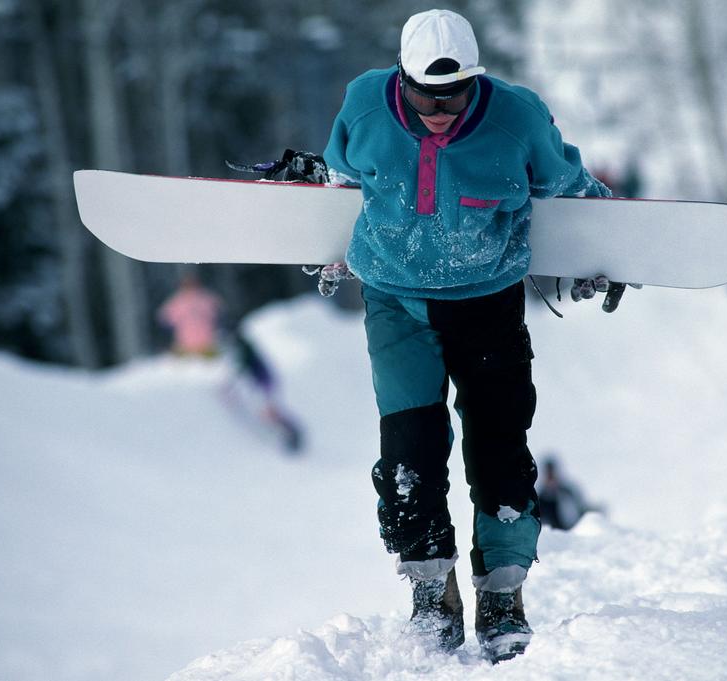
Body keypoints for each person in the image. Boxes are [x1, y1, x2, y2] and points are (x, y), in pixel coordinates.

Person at [307, 9, 623, 662]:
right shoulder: (365, 106)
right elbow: (341, 176)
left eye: (455, 93)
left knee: (500, 452)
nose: (441, 107)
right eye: (426, 93)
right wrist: (328, 241)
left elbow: (567, 186)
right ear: (403, 79)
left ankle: (503, 596)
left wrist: (609, 247)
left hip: (489, 304)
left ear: (476, 80)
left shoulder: (517, 119)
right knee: (408, 454)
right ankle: (432, 593)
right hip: (395, 302)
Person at [158, 273, 223, 357]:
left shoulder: (178, 300)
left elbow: (164, 318)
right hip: (200, 344)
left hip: (191, 344)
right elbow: (220, 312)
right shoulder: (207, 298)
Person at [536, 456, 605, 531]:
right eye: (548, 476)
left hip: (571, 534)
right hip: (552, 538)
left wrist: (596, 515)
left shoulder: (567, 493)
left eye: (552, 475)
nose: (551, 479)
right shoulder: (539, 499)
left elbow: (582, 509)